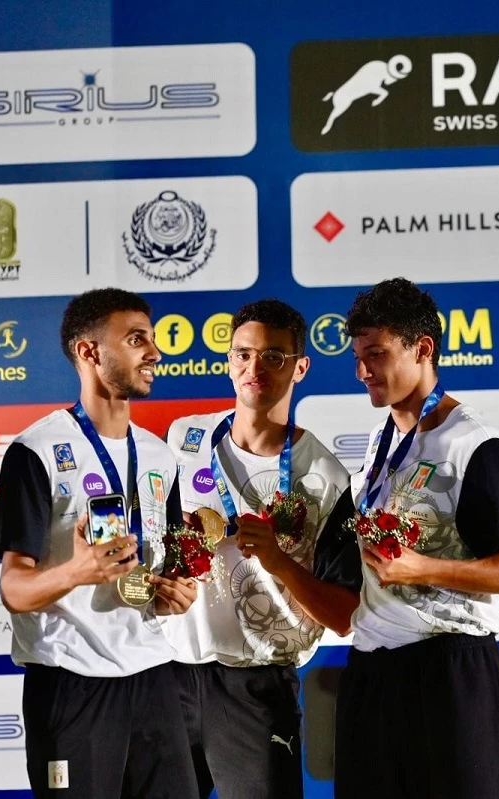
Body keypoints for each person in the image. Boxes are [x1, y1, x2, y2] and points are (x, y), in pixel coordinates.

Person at [334, 278, 499, 799]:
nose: (362, 371)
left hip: (449, 672)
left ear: (422, 349)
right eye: (358, 356)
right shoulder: (379, 442)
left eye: (376, 354)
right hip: (374, 671)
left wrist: (423, 568)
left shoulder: (475, 445)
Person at [0, 288, 200, 799]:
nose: (155, 352)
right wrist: (76, 572)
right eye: (136, 339)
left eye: (153, 338)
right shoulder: (36, 452)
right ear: (89, 352)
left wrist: (172, 592)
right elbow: (14, 589)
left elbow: (153, 572)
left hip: (155, 676)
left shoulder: (160, 455)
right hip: (72, 681)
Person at [163, 299, 361, 799]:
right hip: (167, 675)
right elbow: (153, 548)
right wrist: (170, 541)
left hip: (256, 685)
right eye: (243, 354)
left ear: (300, 368)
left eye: (273, 356)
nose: (255, 368)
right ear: (229, 361)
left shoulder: (326, 478)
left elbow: (343, 616)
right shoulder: (183, 438)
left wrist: (277, 560)